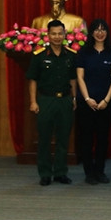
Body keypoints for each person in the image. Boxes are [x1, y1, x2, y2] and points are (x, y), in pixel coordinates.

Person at [27, 20, 77, 186]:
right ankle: (45, 173)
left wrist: (74, 98)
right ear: (48, 35)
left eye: (60, 33)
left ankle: (61, 172)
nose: (57, 37)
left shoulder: (71, 55)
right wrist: (33, 101)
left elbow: (73, 79)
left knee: (63, 138)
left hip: (64, 100)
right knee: (45, 138)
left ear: (64, 35)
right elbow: (33, 80)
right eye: (53, 34)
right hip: (46, 100)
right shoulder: (39, 55)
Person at [75, 19, 111, 185]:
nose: (100, 33)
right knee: (86, 138)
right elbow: (80, 77)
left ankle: (100, 171)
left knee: (102, 138)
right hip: (86, 102)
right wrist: (87, 98)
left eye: (103, 29)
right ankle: (89, 172)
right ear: (91, 33)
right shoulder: (84, 53)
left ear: (107, 32)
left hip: (105, 102)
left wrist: (106, 99)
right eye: (96, 30)